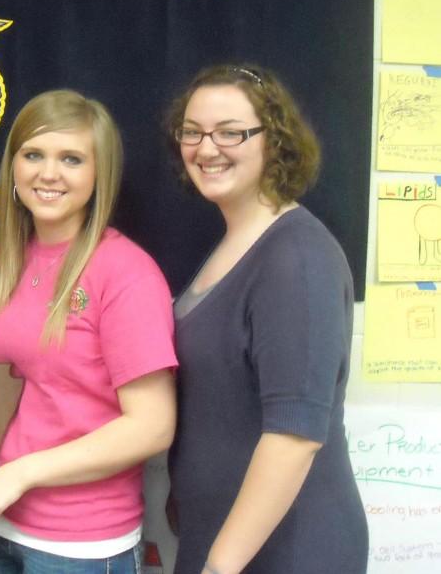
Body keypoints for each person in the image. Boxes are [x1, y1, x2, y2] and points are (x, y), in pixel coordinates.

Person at [0, 89, 178, 573]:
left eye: (71, 159)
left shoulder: (125, 272)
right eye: (33, 155)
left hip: (81, 546)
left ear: (99, 175)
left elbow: (153, 425)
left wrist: (22, 474)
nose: (48, 173)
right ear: (13, 167)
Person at [165, 64, 368, 574]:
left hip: (287, 550)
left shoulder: (297, 258)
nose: (207, 148)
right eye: (193, 132)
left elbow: (295, 435)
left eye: (231, 132)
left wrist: (222, 564)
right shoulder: (234, 243)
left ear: (273, 139)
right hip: (222, 541)